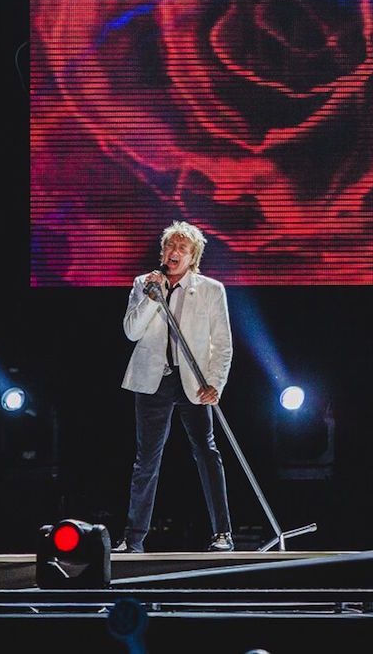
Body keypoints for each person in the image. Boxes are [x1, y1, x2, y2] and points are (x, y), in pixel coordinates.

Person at [113, 219, 234, 553]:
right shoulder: (144, 283)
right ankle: (133, 540)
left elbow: (222, 344)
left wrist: (215, 383)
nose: (174, 251)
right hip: (154, 381)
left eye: (182, 247)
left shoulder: (210, 289)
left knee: (207, 452)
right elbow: (131, 331)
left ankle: (222, 533)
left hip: (193, 382)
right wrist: (153, 296)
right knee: (146, 460)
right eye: (170, 246)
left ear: (192, 256)